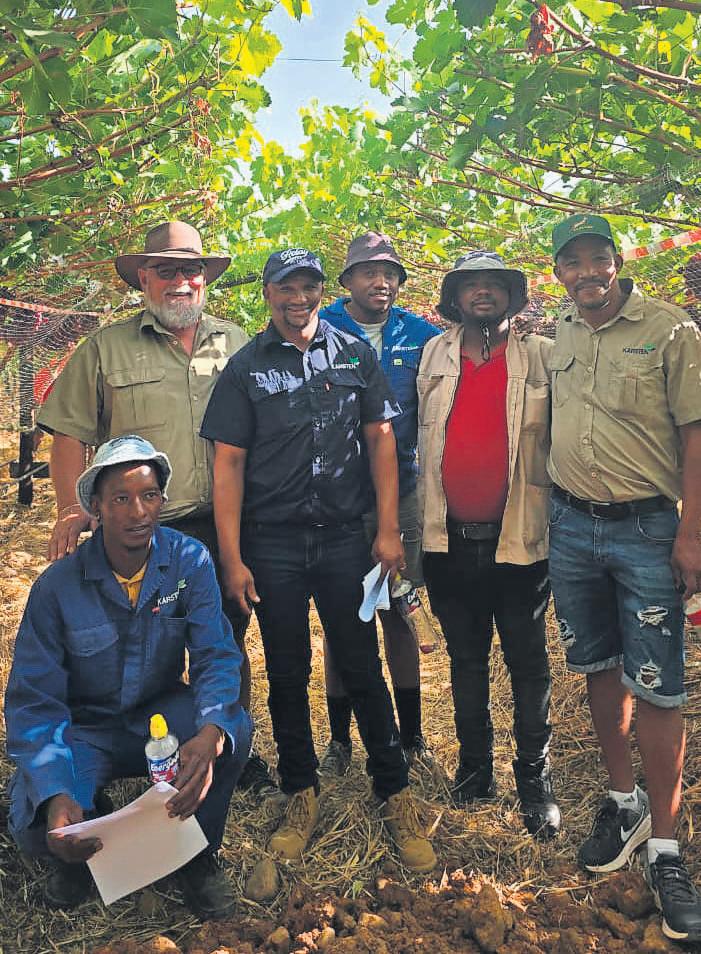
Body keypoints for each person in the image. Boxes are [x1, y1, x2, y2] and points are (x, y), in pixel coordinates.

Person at [201, 248, 436, 873]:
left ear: (320, 291)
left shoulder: (353, 354)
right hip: (272, 543)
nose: (298, 298)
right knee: (285, 670)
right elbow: (228, 463)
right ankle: (300, 790)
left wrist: (388, 530)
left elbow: (380, 439)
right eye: (286, 287)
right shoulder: (246, 367)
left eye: (308, 287)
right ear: (268, 294)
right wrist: (232, 557)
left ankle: (394, 791)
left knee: (361, 664)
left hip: (341, 540)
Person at [36, 221, 273, 795]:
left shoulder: (236, 342)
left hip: (221, 522)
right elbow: (69, 432)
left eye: (190, 270)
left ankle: (229, 748)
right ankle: (125, 749)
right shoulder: (106, 347)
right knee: (132, 644)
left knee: (224, 638)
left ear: (205, 278)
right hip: (138, 527)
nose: (180, 282)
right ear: (144, 278)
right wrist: (71, 509)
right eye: (166, 271)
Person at [4, 436, 252, 920]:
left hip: (159, 721)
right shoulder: (57, 588)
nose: (138, 512)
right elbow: (35, 700)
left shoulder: (189, 561)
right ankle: (84, 831)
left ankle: (197, 854)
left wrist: (210, 732)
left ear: (162, 499)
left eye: (149, 495)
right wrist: (56, 793)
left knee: (234, 730)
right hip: (85, 732)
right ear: (95, 507)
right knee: (35, 831)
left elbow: (216, 655)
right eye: (120, 498)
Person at [548, 213, 701, 941]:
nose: (586, 273)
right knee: (598, 666)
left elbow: (695, 437)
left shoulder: (671, 330)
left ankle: (666, 847)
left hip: (648, 529)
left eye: (596, 258)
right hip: (571, 527)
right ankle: (623, 802)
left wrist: (692, 533)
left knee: (660, 684)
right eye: (571, 262)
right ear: (558, 273)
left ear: (617, 260)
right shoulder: (559, 335)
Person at [418, 251, 561, 839]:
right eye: (470, 285)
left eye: (493, 285)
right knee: (466, 660)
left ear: (512, 297)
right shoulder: (433, 353)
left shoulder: (542, 356)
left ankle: (534, 780)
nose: (482, 293)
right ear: (455, 298)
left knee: (528, 663)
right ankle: (475, 771)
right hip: (449, 540)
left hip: (520, 541)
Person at [318, 232, 441, 774]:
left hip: (403, 493)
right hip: (337, 499)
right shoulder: (319, 326)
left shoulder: (422, 336)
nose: (381, 282)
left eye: (390, 273)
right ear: (347, 280)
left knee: (400, 609)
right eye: (369, 272)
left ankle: (411, 736)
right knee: (343, 620)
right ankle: (340, 742)